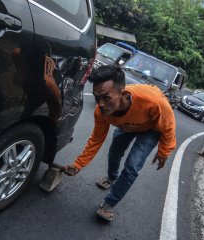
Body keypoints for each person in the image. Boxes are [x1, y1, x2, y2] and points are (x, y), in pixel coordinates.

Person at [63, 65, 176, 221]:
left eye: (106, 97)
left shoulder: (154, 101)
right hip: (128, 126)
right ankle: (111, 177)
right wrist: (78, 164)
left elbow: (169, 126)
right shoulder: (101, 111)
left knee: (132, 166)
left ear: (123, 94)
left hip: (151, 128)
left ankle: (109, 204)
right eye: (97, 97)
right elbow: (96, 139)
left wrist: (164, 151)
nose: (100, 104)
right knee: (114, 153)